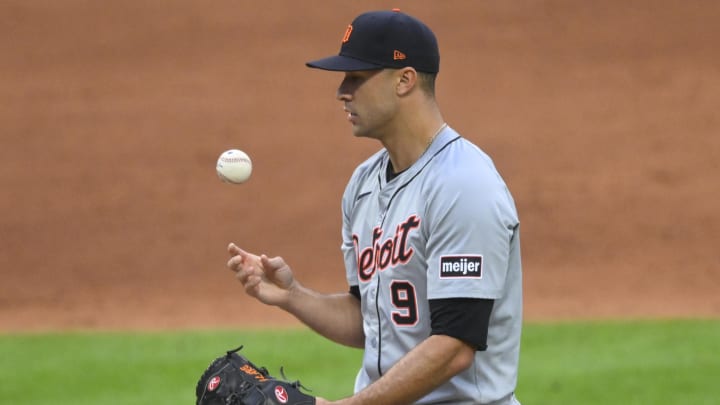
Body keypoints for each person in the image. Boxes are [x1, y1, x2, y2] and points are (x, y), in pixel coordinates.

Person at [227, 9, 523, 405]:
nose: (341, 91)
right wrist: (293, 296)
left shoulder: (464, 185)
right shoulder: (363, 185)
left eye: (357, 77)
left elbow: (454, 346)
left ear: (405, 80)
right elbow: (372, 322)